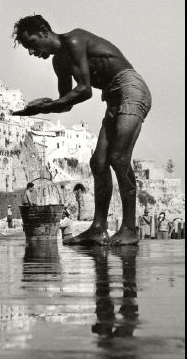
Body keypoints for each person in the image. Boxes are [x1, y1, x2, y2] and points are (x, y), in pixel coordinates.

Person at [12, 15, 151, 246]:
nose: (31, 52)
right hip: (113, 98)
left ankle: (129, 228)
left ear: (44, 32)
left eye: (32, 44)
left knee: (118, 157)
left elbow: (85, 90)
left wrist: (46, 105)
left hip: (131, 88)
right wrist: (36, 109)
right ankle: (98, 228)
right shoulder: (59, 63)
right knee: (98, 162)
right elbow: (66, 104)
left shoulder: (75, 40)